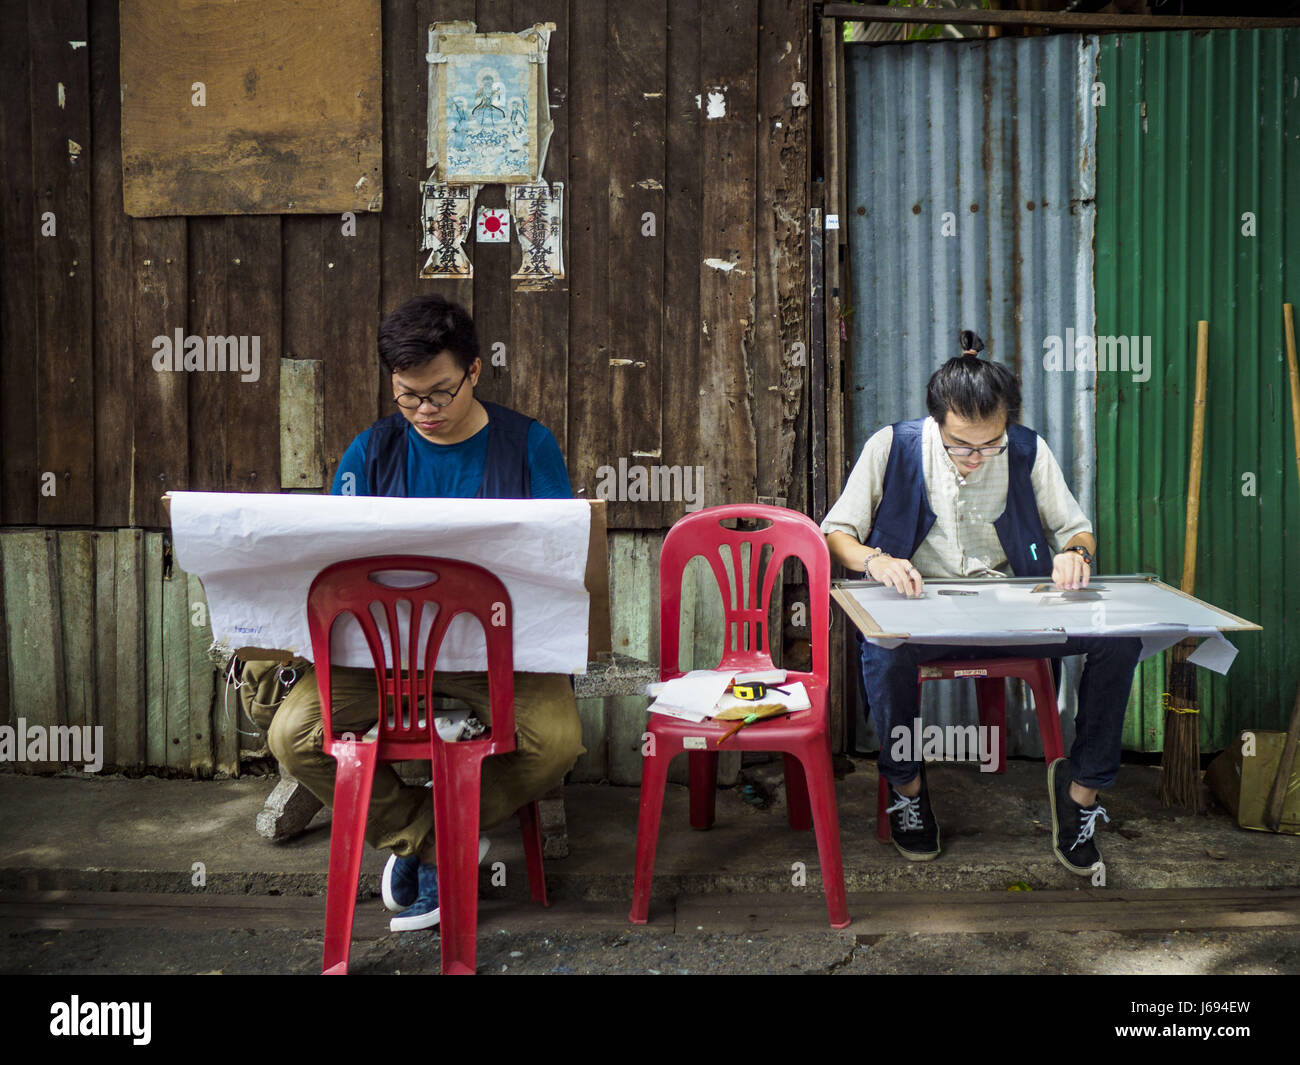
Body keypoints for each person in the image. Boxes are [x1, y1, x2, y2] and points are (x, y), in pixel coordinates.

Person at [244, 293, 585, 932]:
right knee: (294, 735)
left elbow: (558, 562)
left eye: (440, 393)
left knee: (556, 743)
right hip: (377, 656)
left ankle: (431, 839)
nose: (424, 411)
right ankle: (428, 842)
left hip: (495, 656)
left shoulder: (526, 447)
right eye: (408, 396)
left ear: (476, 372)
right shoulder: (371, 453)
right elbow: (326, 563)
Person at [821, 330, 1141, 876]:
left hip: (1012, 614)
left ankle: (1081, 794)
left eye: (990, 444)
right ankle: (907, 788)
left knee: (1120, 640)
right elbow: (836, 534)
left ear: (1006, 425)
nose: (976, 457)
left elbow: (1077, 530)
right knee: (883, 647)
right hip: (920, 613)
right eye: (962, 445)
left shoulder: (1026, 449)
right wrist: (876, 561)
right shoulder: (892, 447)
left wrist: (1074, 557)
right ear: (937, 424)